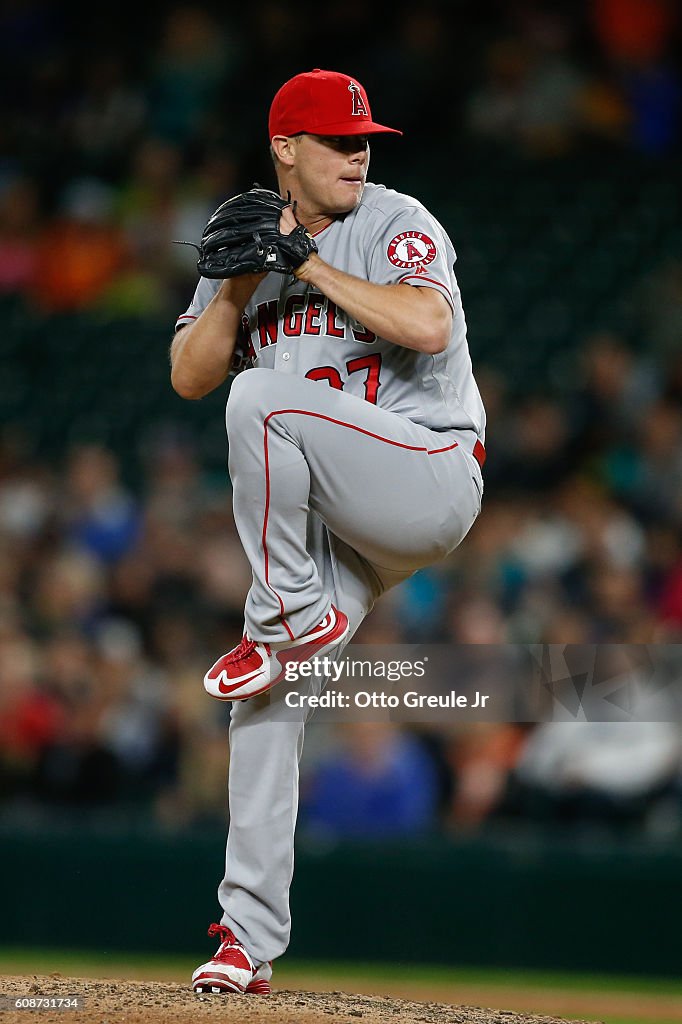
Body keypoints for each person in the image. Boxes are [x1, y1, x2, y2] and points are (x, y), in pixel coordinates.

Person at [171, 68, 486, 995]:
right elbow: (188, 374)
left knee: (261, 399)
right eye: (339, 140)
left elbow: (428, 325)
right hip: (337, 523)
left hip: (427, 474)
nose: (359, 153)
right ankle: (245, 941)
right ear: (284, 149)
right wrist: (233, 290)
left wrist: (302, 264)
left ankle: (288, 612)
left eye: (364, 139)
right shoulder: (245, 235)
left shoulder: (397, 220)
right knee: (265, 693)